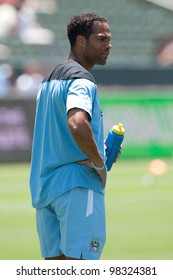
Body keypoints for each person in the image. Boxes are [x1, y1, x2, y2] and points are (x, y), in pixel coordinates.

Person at [30, 12, 120, 260]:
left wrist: (96, 147)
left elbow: (61, 135)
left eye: (109, 39)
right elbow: (77, 123)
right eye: (101, 39)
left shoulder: (47, 81)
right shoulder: (82, 79)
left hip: (45, 189)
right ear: (81, 41)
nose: (108, 45)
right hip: (77, 186)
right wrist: (99, 162)